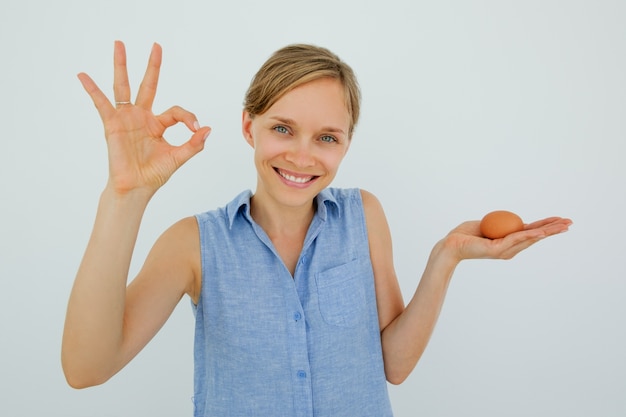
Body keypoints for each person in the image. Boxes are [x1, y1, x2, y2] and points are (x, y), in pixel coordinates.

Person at [61, 41, 572, 416]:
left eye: (326, 137)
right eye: (282, 128)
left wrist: (445, 258)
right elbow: (86, 370)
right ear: (248, 127)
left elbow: (392, 363)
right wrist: (124, 197)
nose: (302, 155)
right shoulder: (194, 245)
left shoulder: (363, 217)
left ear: (346, 144)